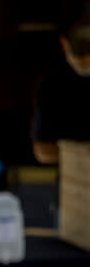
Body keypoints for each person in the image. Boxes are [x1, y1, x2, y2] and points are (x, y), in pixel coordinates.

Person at [31, 15, 90, 164]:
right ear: (64, 44)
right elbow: (42, 151)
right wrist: (80, 154)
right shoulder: (52, 85)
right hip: (73, 177)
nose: (84, 60)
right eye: (78, 54)